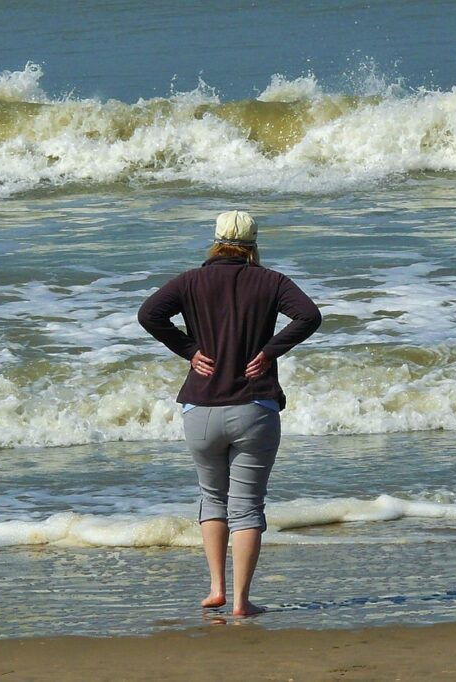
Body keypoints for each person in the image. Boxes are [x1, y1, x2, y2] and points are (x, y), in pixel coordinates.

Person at [137, 210, 321, 616]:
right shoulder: (271, 280)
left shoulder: (190, 280)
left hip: (200, 407)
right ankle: (241, 601)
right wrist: (270, 350)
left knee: (212, 499)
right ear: (253, 244)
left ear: (216, 241)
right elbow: (309, 316)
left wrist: (189, 351)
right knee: (248, 506)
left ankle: (216, 588)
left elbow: (149, 314)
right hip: (254, 407)